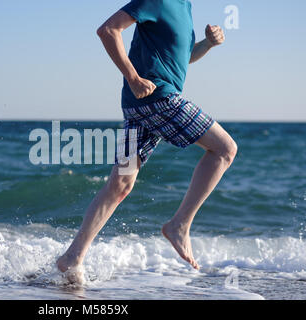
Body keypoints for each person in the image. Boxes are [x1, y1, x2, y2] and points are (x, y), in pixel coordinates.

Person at [56, 0, 238, 284]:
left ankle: (72, 258)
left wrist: (208, 44)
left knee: (120, 185)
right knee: (225, 149)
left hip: (138, 107)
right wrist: (133, 77)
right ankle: (179, 225)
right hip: (158, 99)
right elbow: (108, 30)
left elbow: (183, 57)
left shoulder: (184, 7)